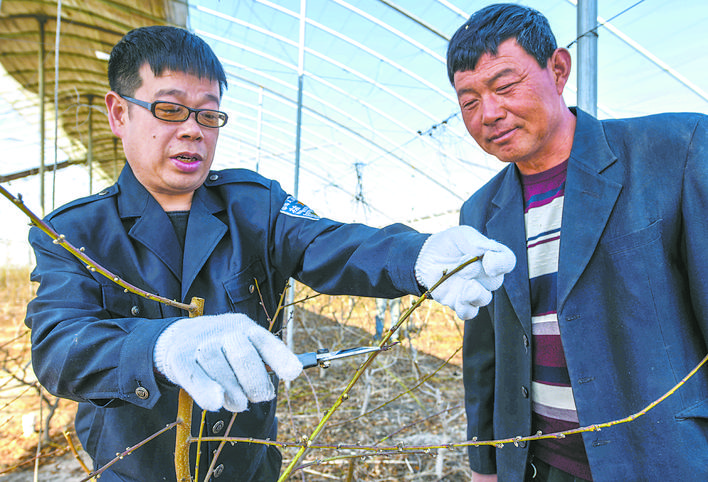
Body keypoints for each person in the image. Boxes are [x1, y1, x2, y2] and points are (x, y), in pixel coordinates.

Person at [24, 26, 516, 482]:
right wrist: (158, 346)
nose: (193, 130)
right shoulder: (75, 232)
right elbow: (59, 347)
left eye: (208, 115)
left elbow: (327, 243)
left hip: (248, 469)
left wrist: (417, 256)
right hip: (131, 473)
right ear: (119, 113)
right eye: (169, 110)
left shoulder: (253, 206)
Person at [447, 4, 708, 482]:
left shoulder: (675, 151)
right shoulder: (480, 212)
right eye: (469, 102)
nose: (490, 113)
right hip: (542, 466)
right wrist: (485, 465)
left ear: (558, 69)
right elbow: (484, 352)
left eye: (505, 86)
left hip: (665, 460)